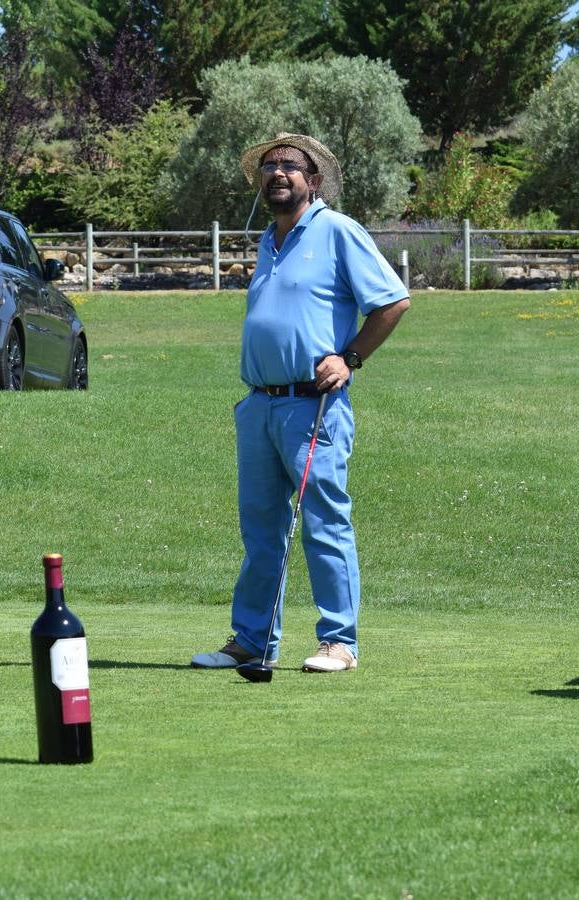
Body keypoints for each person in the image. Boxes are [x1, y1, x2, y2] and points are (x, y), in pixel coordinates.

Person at [191, 133, 409, 674]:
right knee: (261, 527)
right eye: (269, 166)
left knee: (323, 522)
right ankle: (252, 640)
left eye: (291, 165)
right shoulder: (269, 239)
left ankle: (339, 642)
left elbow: (393, 300)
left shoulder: (337, 231)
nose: (277, 173)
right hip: (260, 406)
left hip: (313, 405)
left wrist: (350, 357)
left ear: (314, 180)